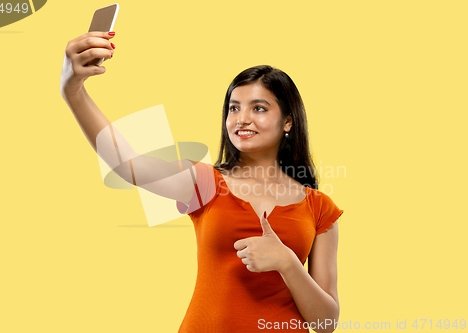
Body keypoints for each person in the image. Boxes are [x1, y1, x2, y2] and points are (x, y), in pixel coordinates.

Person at [61, 31, 344, 333]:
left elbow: (326, 323)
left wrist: (287, 263)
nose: (242, 119)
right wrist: (73, 91)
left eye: (258, 108)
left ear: (288, 121)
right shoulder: (205, 182)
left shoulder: (319, 208)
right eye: (234, 108)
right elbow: (127, 164)